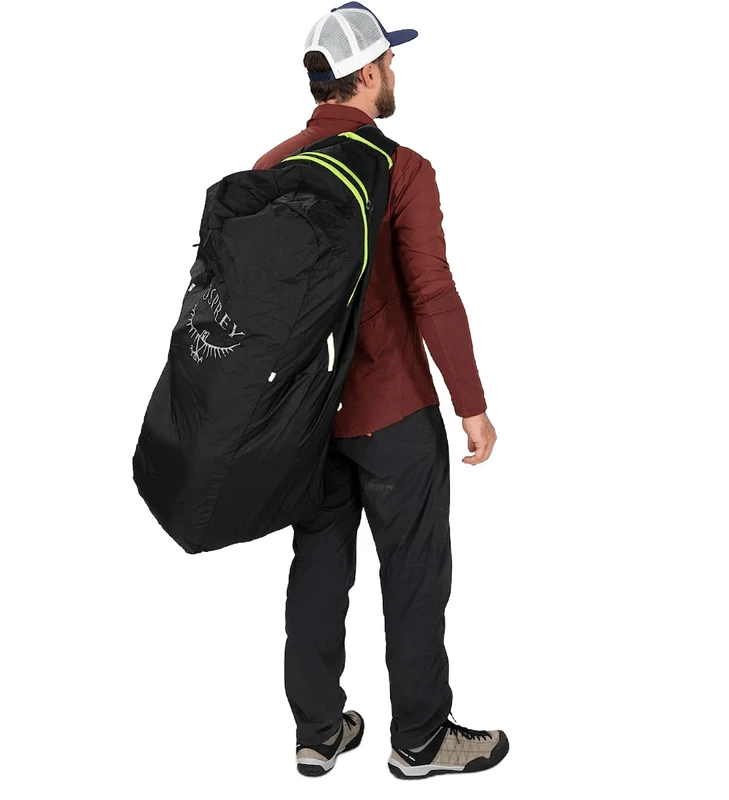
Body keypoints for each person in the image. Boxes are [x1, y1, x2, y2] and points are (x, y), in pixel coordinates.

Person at [253, 2, 509, 780]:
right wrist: (471, 403)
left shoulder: (270, 168)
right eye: (389, 62)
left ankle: (318, 731)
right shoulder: (405, 169)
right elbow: (432, 293)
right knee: (414, 574)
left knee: (317, 568)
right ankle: (421, 740)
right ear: (365, 73)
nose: (394, 71)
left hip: (306, 421)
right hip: (395, 411)